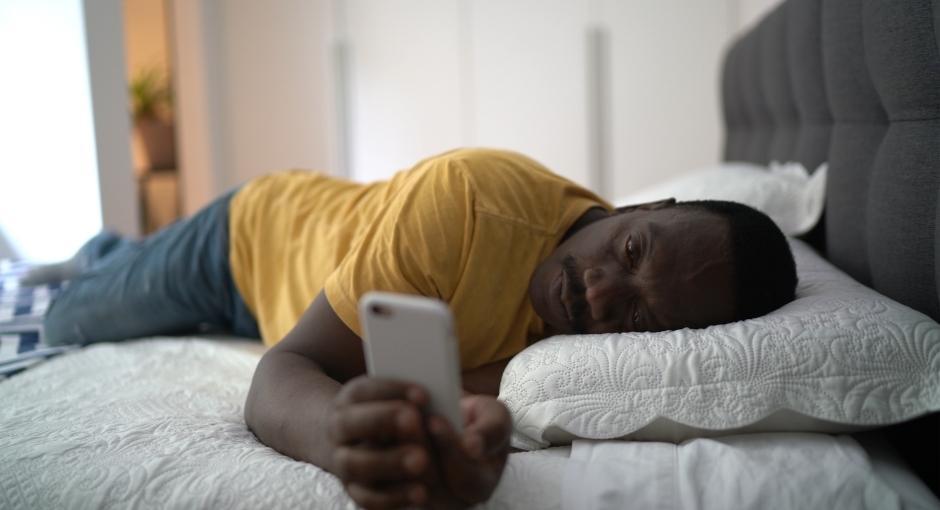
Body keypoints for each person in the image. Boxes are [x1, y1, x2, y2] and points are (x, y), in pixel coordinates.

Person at [37, 148, 797, 509]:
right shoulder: (467, 206)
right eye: (631, 252)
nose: (599, 291)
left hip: (313, 279)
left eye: (638, 315)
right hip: (252, 240)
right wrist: (336, 433)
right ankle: (111, 249)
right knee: (72, 315)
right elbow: (286, 368)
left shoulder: (593, 353)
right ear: (645, 212)